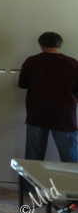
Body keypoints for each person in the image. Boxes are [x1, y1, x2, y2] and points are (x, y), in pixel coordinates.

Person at [18, 32, 78, 165]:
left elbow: (22, 84)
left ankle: (31, 180)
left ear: (41, 44)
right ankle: (72, 180)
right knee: (70, 159)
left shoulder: (31, 61)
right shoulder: (73, 63)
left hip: (36, 113)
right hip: (65, 115)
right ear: (60, 44)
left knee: (33, 159)